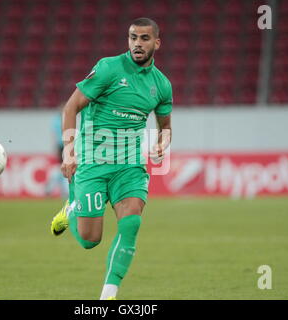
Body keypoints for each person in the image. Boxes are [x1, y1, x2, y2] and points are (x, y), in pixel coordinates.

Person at [50, 17, 172, 300]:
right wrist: (69, 153)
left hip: (130, 165)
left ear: (157, 43)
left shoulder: (162, 85)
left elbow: (165, 128)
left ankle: (108, 295)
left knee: (131, 224)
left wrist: (161, 144)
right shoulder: (108, 68)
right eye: (133, 37)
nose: (137, 44)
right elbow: (70, 108)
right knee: (91, 241)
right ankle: (73, 206)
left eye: (144, 38)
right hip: (94, 162)